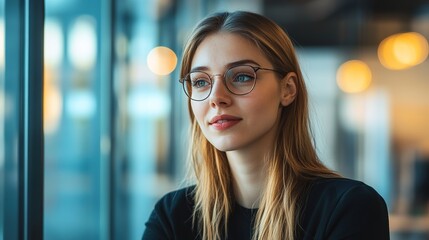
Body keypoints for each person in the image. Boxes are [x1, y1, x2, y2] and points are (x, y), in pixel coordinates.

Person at [142, 11, 390, 240]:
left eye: (241, 76)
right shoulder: (171, 217)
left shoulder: (349, 208)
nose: (216, 98)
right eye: (200, 82)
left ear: (288, 89)